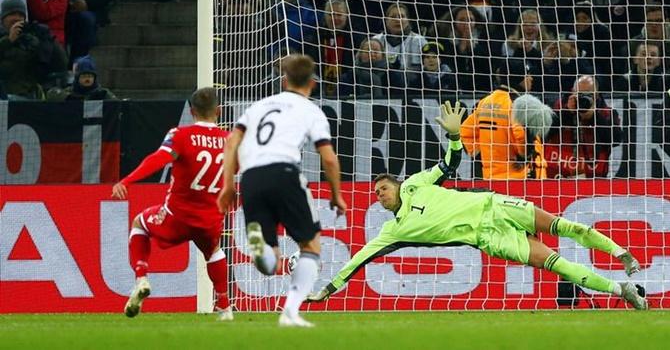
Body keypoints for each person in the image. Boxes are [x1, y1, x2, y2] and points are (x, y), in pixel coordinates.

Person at [307, 101, 647, 311]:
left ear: (396, 184)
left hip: (495, 205)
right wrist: (326, 290)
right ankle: (623, 290)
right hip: (488, 236)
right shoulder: (392, 231)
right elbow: (358, 260)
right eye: (376, 193)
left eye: (383, 188)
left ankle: (621, 254)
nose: (379, 194)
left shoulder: (415, 183)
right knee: (556, 264)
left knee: (563, 226)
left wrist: (455, 136)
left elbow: (450, 162)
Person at [217, 54, 346, 328]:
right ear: (312, 83)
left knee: (270, 260)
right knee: (310, 246)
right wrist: (336, 194)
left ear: (284, 80)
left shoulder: (259, 106)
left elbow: (231, 142)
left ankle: (259, 246)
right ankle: (290, 312)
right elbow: (329, 158)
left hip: (250, 179)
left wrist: (229, 183)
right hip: (285, 175)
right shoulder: (311, 110)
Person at [111, 87, 233, 321]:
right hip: (210, 218)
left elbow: (158, 159)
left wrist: (128, 180)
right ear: (219, 111)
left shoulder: (180, 135)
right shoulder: (230, 141)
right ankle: (225, 307)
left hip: (177, 216)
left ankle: (141, 277)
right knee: (214, 251)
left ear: (191, 111)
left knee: (139, 222)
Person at [461, 60, 552, 179]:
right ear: (518, 78)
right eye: (527, 75)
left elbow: (465, 132)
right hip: (520, 177)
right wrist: (524, 157)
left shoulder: (485, 102)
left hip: (491, 175)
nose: (531, 78)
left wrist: (480, 156)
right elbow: (519, 133)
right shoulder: (516, 103)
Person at [544, 75, 623, 178]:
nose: (584, 98)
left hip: (594, 180)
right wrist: (567, 112)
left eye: (589, 94)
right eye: (580, 94)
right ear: (573, 91)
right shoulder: (556, 106)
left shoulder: (607, 113)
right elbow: (543, 133)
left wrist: (594, 117)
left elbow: (616, 140)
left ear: (597, 95)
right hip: (555, 177)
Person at [46, 55, 117, 100]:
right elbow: (51, 94)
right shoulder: (71, 91)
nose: (87, 79)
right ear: (77, 78)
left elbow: (116, 104)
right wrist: (70, 98)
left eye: (90, 76)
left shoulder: (102, 93)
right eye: (83, 76)